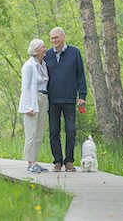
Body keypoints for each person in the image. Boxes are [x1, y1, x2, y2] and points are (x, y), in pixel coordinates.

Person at [44, 27, 87, 172]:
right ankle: (57, 161)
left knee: (71, 130)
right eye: (51, 38)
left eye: (56, 37)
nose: (54, 41)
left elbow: (80, 75)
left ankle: (69, 161)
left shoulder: (74, 53)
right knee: (54, 132)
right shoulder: (47, 55)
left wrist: (82, 96)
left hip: (69, 99)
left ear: (63, 37)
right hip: (52, 100)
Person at [18, 39, 49, 173]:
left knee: (39, 133)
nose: (45, 48)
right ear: (36, 50)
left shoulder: (43, 64)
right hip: (32, 100)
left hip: (43, 98)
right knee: (31, 133)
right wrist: (27, 106)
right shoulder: (28, 66)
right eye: (43, 47)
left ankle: (35, 162)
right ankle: (30, 164)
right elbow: (24, 88)